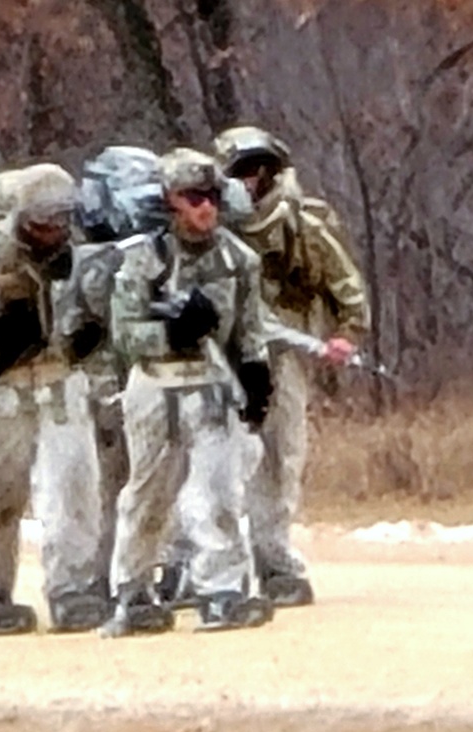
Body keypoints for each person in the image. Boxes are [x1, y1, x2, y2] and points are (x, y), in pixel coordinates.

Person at [0, 164, 115, 635]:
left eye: (60, 221)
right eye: (41, 222)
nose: (52, 231)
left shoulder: (79, 252)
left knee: (73, 485)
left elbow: (101, 309)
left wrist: (92, 339)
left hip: (59, 378)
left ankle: (70, 589)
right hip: (1, 384)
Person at [102, 147, 274, 636]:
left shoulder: (239, 260)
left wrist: (256, 374)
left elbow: (251, 327)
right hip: (155, 385)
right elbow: (123, 334)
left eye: (213, 196)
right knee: (148, 494)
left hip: (211, 383)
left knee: (216, 492)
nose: (205, 207)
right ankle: (132, 591)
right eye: (193, 197)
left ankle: (221, 590)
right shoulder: (143, 259)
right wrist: (170, 332)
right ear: (170, 200)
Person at [213, 126, 370, 606]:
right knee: (213, 459)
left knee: (280, 458)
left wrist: (346, 334)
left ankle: (275, 560)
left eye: (256, 170)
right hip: (218, 353)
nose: (249, 180)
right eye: (237, 171)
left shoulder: (304, 223)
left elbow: (347, 288)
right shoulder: (207, 217)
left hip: (282, 356)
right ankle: (213, 567)